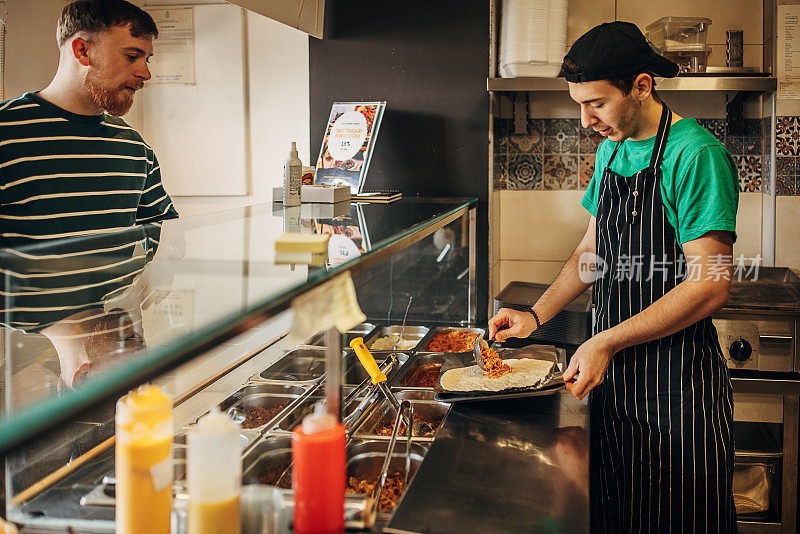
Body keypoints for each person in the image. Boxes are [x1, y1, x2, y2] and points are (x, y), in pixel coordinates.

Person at [489, 22, 738, 533]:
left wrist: (606, 340)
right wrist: (537, 315)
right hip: (614, 385)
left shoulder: (694, 154)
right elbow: (592, 250)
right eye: (580, 104)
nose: (586, 120)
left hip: (677, 392)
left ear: (641, 85)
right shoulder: (611, 151)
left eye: (596, 103)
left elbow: (710, 283)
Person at [0, 0, 177, 248]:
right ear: (82, 50)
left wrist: (155, 282)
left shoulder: (136, 148)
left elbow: (166, 231)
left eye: (147, 59)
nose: (145, 73)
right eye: (132, 56)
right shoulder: (5, 130)